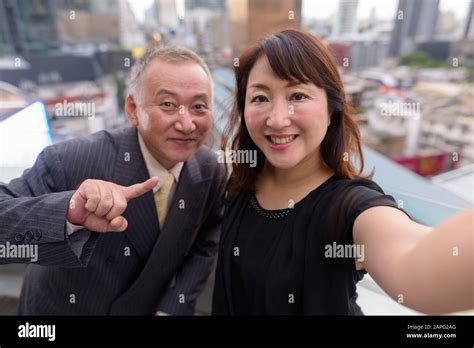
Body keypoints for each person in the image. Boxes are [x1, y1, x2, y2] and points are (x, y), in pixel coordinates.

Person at [212, 29, 473, 315]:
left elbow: (417, 268)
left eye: (297, 95)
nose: (277, 119)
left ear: (331, 109)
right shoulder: (239, 181)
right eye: (260, 98)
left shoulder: (348, 208)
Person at [0, 46, 226, 315]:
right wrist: (69, 210)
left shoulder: (210, 171)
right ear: (132, 109)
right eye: (168, 104)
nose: (187, 123)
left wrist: (172, 307)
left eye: (199, 106)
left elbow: (205, 244)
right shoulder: (72, 159)